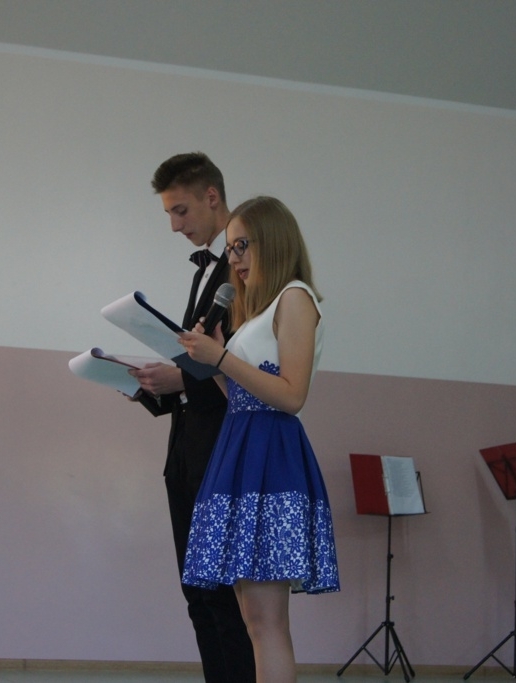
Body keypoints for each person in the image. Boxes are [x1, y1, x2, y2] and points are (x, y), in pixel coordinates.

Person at [178, 196, 340, 683]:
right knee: (254, 621)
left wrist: (222, 358)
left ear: (273, 239)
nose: (235, 259)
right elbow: (242, 396)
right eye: (230, 249)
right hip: (242, 448)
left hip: (270, 457)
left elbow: (291, 396)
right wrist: (213, 364)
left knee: (268, 622)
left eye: (242, 245)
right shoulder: (258, 311)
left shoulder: (295, 297)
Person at [129, 152, 255, 683]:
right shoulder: (208, 270)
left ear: (212, 196)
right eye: (168, 214)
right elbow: (195, 360)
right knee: (198, 597)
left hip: (222, 452)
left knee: (225, 599)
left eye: (180, 211)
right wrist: (151, 386)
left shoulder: (246, 267)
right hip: (186, 450)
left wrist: (181, 378)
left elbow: (246, 362)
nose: (175, 226)